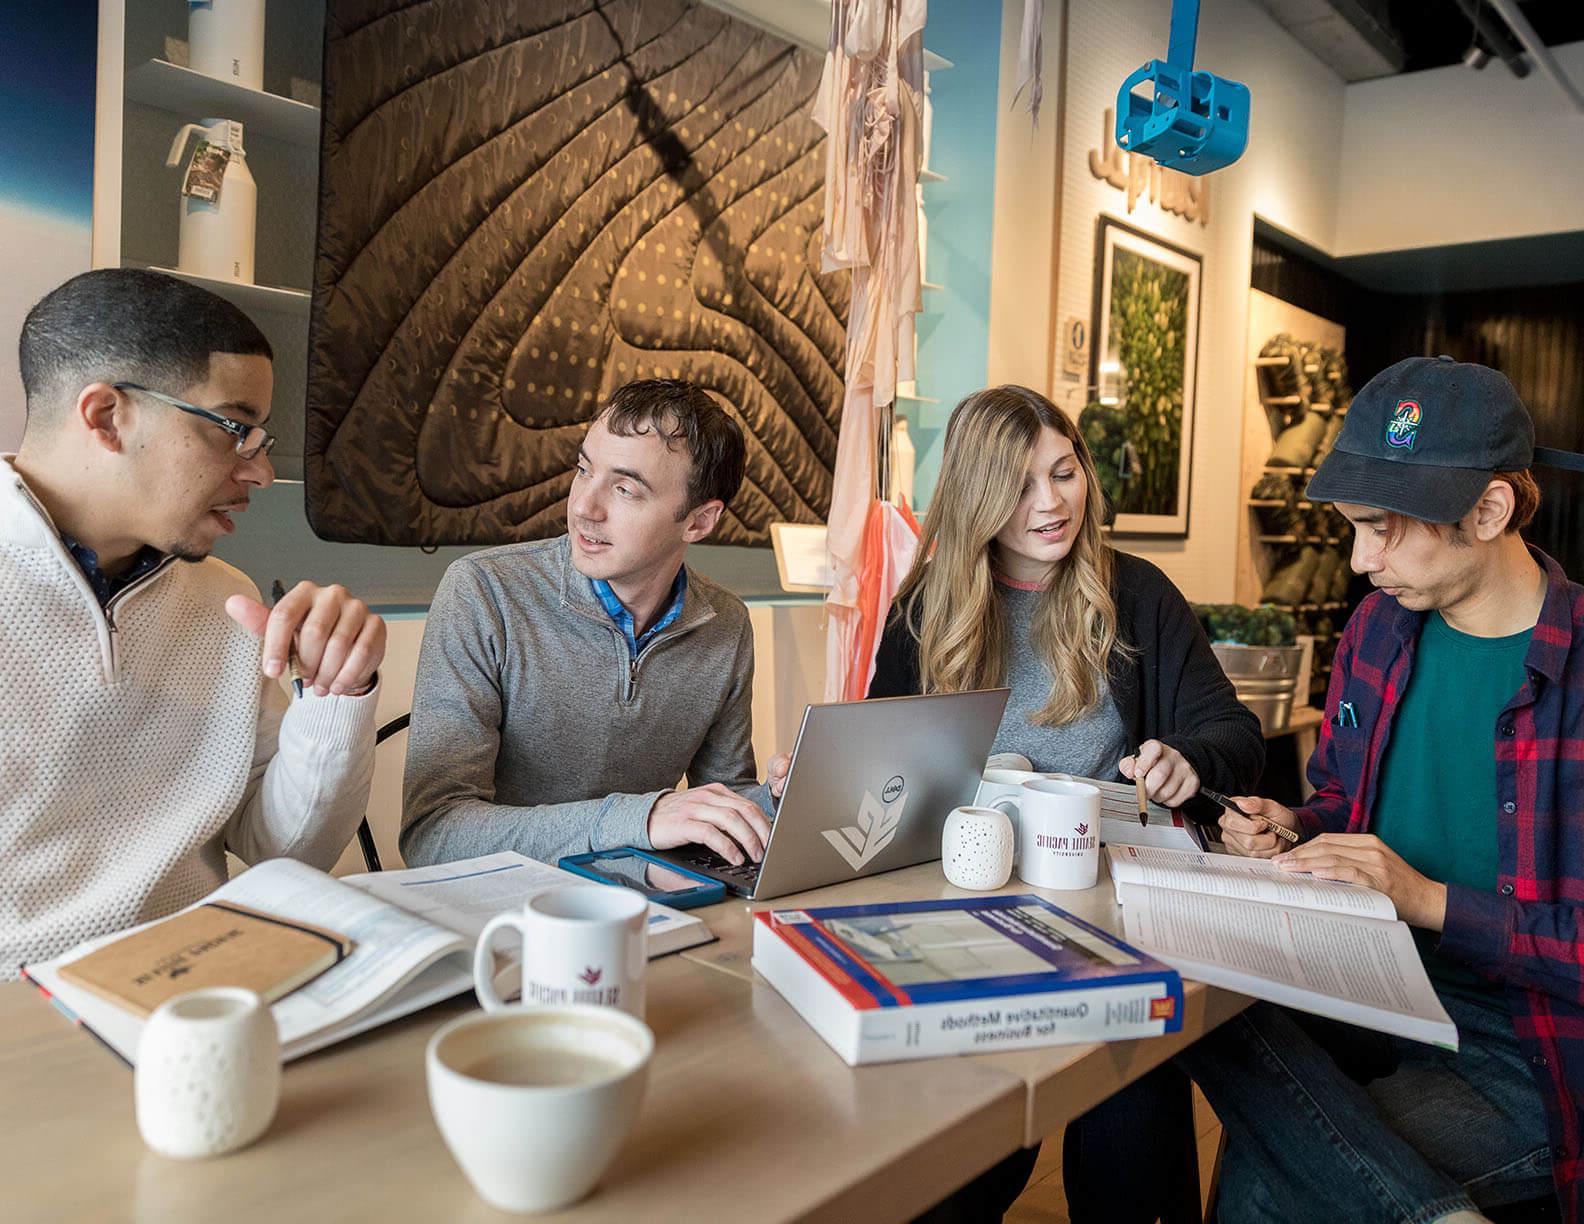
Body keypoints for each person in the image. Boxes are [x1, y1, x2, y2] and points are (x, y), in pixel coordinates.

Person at [1184, 356, 1580, 1223]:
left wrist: (1427, 899)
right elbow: (1342, 806)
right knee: (1183, 1004)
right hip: (1369, 985)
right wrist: (1294, 827)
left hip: (1529, 1047)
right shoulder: (1378, 629)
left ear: (1490, 509)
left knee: (1271, 1181)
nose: (1361, 562)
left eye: (1385, 528)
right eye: (1353, 528)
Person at [872, 384, 1265, 1224]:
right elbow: (879, 764)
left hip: (1108, 916)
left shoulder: (1139, 595)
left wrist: (1187, 759)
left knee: (1128, 1135)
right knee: (957, 1164)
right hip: (961, 915)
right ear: (978, 496)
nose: (1051, 502)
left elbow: (1234, 731)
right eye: (1019, 485)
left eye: (1065, 471)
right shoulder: (922, 607)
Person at [1, 269, 387, 976]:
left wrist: (336, 697)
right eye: (236, 430)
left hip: (201, 985)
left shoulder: (223, 601)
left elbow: (284, 851)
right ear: (107, 417)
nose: (262, 473)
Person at [402, 379, 787, 870]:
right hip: (503, 910)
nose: (584, 506)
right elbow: (431, 836)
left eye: (625, 489)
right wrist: (640, 819)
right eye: (584, 470)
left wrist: (778, 800)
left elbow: (722, 801)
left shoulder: (726, 625)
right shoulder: (484, 592)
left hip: (641, 904)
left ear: (699, 522)